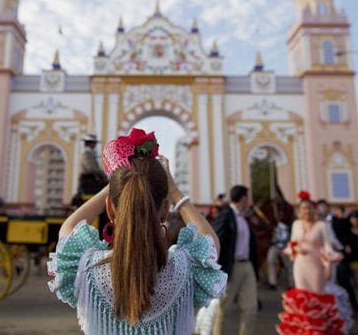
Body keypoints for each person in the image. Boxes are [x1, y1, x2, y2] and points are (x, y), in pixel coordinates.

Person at [48, 128, 227, 334]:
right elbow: (211, 242)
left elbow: (67, 230)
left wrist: (116, 182)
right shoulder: (185, 269)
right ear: (165, 212)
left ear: (109, 208)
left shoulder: (87, 268)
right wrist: (175, 192)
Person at [277, 195, 344, 334]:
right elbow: (292, 243)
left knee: (317, 297)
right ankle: (304, 330)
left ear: (314, 210)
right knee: (301, 297)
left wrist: (329, 265)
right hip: (300, 265)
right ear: (299, 211)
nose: (306, 211)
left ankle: (318, 330)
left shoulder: (322, 225)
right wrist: (296, 249)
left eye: (309, 208)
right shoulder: (296, 224)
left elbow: (327, 247)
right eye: (303, 208)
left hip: (316, 265)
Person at [212, 185, 259, 335]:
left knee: (251, 307)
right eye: (248, 197)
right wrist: (217, 268)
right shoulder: (226, 216)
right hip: (231, 267)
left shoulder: (245, 218)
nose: (249, 200)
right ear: (243, 198)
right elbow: (216, 241)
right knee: (224, 309)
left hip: (247, 266)